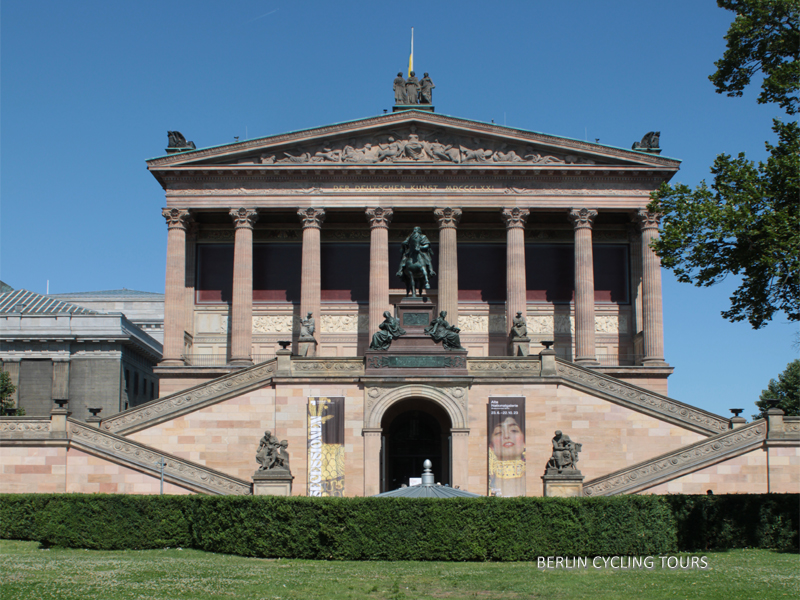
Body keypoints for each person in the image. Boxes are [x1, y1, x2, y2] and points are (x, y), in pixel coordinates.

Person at [488, 415, 526, 497]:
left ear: (524, 441)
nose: (506, 436)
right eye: (498, 433)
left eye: (514, 430)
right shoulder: (490, 482)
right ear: (491, 446)